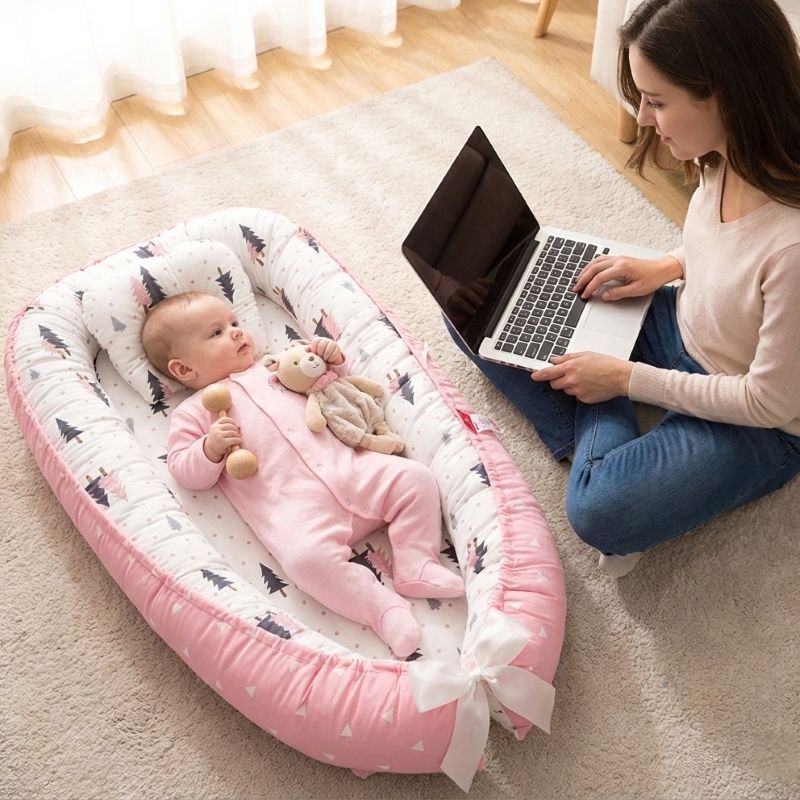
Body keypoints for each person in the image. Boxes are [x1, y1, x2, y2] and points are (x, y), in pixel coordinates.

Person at [453, 0, 800, 577]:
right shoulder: (727, 152)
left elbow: (770, 402)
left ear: (726, 93)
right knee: (478, 303)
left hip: (754, 419)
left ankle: (596, 412)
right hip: (680, 322)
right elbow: (734, 250)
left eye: (657, 101)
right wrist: (665, 266)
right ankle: (595, 409)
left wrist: (620, 379)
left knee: (599, 512)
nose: (641, 117)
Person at [141, 291, 464, 656]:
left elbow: (330, 386)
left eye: (235, 323)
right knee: (305, 562)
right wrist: (209, 448)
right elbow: (185, 470)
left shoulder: (275, 367)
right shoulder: (194, 412)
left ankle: (416, 562)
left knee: (415, 479)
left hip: (354, 470)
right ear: (184, 370)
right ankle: (382, 609)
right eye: (216, 333)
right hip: (298, 512)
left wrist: (330, 358)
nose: (236, 332)